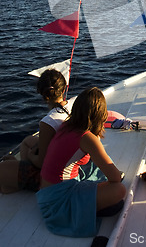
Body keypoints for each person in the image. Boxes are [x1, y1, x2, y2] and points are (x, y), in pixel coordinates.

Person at [37, 86, 126, 237]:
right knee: (119, 190)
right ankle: (85, 210)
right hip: (59, 203)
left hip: (46, 194)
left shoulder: (67, 125)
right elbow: (115, 177)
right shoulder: (86, 137)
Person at [0, 69, 75, 194]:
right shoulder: (73, 105)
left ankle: (18, 182)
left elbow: (41, 163)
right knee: (27, 141)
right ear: (63, 90)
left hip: (54, 177)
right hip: (68, 161)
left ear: (41, 93)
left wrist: (30, 155)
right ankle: (18, 177)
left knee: (3, 172)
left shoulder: (48, 122)